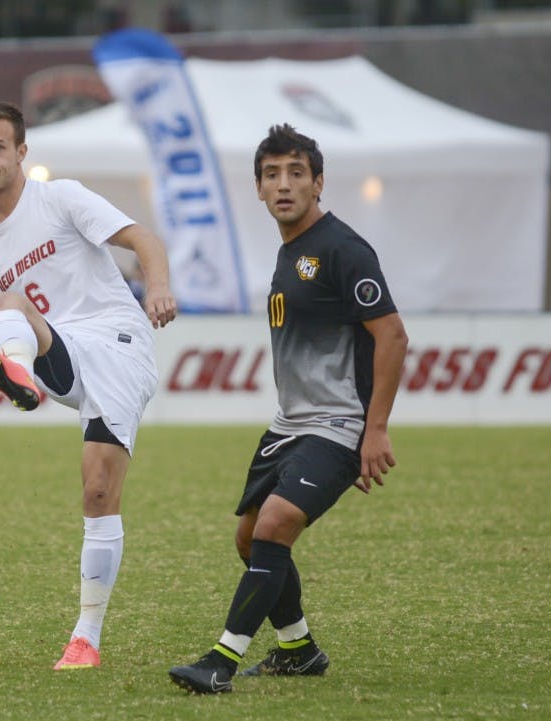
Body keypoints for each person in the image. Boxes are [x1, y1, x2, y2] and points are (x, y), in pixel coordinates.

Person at [0, 101, 177, 671]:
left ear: (21, 152)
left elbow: (145, 240)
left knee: (99, 491)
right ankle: (22, 379)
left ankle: (86, 636)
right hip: (53, 351)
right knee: (5, 306)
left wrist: (156, 288)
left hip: (116, 345)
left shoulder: (60, 199)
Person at [168, 124, 408, 694]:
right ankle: (299, 649)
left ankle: (220, 661)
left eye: (296, 173)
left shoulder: (342, 249)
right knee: (250, 539)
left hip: (339, 424)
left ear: (318, 183)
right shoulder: (289, 253)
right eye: (272, 174)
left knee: (276, 525)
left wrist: (374, 430)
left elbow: (393, 337)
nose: (284, 184)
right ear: (257, 188)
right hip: (289, 425)